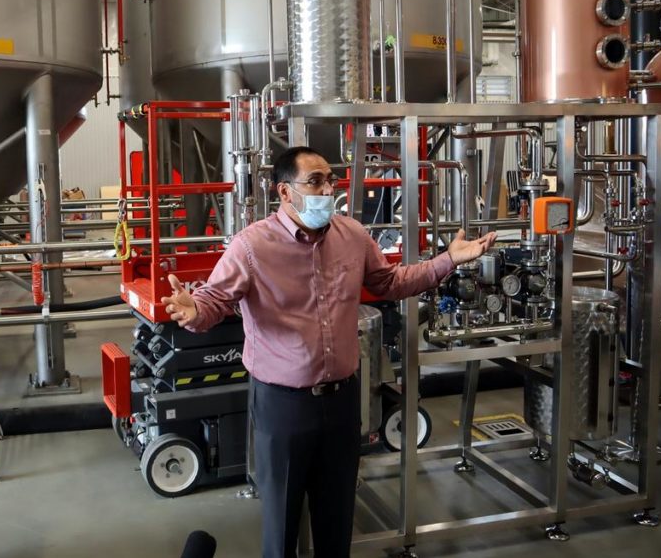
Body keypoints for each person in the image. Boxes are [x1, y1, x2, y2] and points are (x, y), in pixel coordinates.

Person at [161, 147, 496, 557]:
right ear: (285, 191)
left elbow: (391, 282)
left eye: (330, 179)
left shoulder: (352, 235)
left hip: (342, 399)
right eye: (315, 181)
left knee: (336, 518)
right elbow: (214, 301)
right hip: (283, 405)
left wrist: (447, 261)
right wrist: (194, 309)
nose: (327, 189)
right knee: (282, 520)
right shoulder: (252, 247)